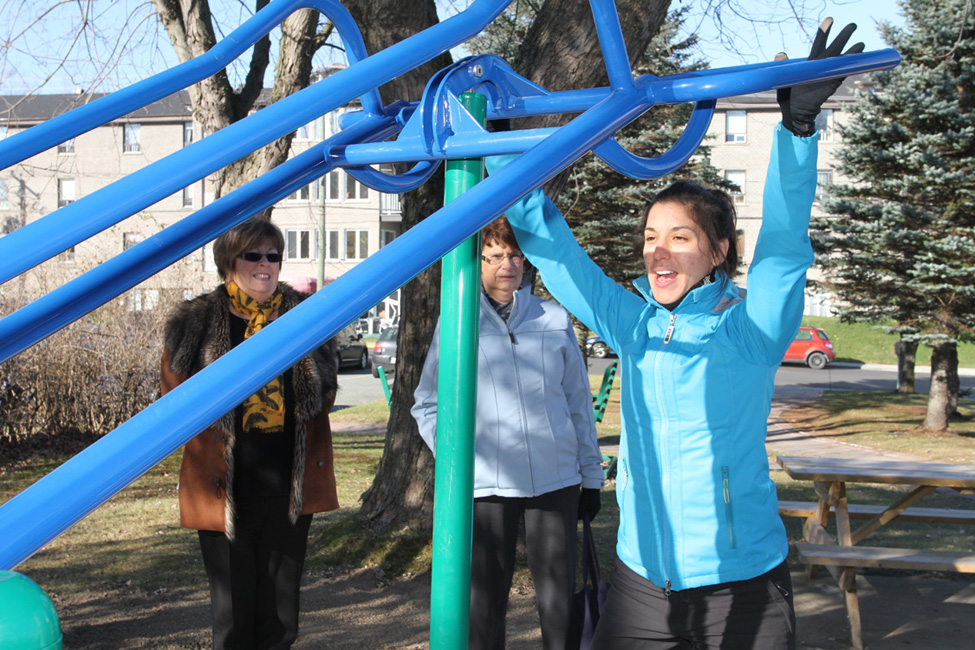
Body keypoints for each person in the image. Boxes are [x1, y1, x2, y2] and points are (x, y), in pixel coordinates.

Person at [491, 19, 864, 650]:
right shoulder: (632, 322)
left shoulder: (748, 330)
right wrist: (503, 155)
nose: (657, 252)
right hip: (642, 582)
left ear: (718, 252)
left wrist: (797, 132)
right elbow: (558, 255)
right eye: (650, 237)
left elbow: (781, 253)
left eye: (680, 237)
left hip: (741, 581)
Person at [411, 216, 605, 650]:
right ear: (476, 262)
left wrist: (591, 477)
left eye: (515, 255)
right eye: (494, 255)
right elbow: (427, 403)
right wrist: (459, 460)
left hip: (555, 479)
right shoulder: (457, 320)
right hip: (487, 485)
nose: (507, 264)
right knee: (484, 604)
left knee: (560, 602)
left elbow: (578, 402)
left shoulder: (553, 318)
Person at [160, 218, 339, 649]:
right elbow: (173, 400)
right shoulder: (195, 321)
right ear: (229, 261)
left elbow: (326, 393)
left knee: (281, 620)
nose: (264, 265)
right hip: (222, 489)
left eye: (272, 256)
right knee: (233, 620)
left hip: (288, 489)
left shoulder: (307, 317)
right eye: (253, 255)